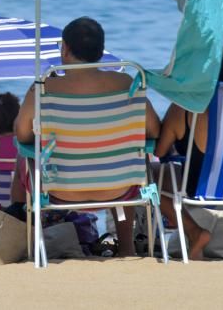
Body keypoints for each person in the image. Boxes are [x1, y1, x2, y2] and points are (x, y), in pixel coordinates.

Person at [14, 16, 160, 257]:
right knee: (132, 156)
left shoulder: (44, 87)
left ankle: (32, 243)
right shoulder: (126, 82)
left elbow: (22, 134)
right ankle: (126, 246)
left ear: (65, 48)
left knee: (27, 158)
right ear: (101, 51)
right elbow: (154, 131)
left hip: (60, 190)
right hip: (121, 187)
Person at [155, 46, 223, 260]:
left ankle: (194, 231)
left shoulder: (182, 107)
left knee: (149, 177)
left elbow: (161, 151)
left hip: (198, 187)